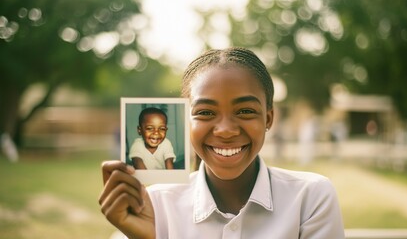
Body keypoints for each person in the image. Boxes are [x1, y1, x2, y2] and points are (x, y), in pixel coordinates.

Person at [99, 47, 345, 238]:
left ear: (268, 118)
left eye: (245, 111)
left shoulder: (310, 197)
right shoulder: (152, 205)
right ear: (186, 122)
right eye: (205, 113)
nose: (226, 130)